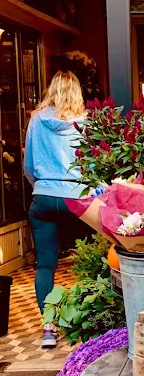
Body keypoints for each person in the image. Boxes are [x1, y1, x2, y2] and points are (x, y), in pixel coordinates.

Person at [24, 71, 86, 348]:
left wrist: (40, 185)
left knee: (46, 265)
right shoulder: (85, 121)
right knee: (90, 259)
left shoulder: (36, 120)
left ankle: (49, 329)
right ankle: (87, 322)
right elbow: (94, 165)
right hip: (78, 198)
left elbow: (29, 164)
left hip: (44, 197)